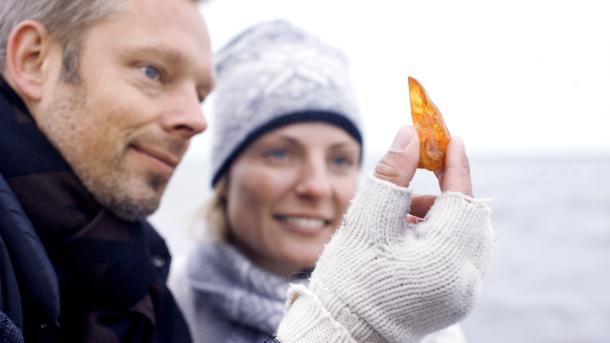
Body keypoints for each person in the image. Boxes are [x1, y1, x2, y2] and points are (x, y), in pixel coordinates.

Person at [0, 0, 494, 342]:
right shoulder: (169, 302)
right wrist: (354, 322)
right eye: (152, 71)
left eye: (199, 94)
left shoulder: (134, 293)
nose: (196, 119)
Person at [170, 20, 467, 343]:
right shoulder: (157, 304)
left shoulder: (423, 332)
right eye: (280, 154)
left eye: (340, 160)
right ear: (225, 177)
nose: (317, 186)